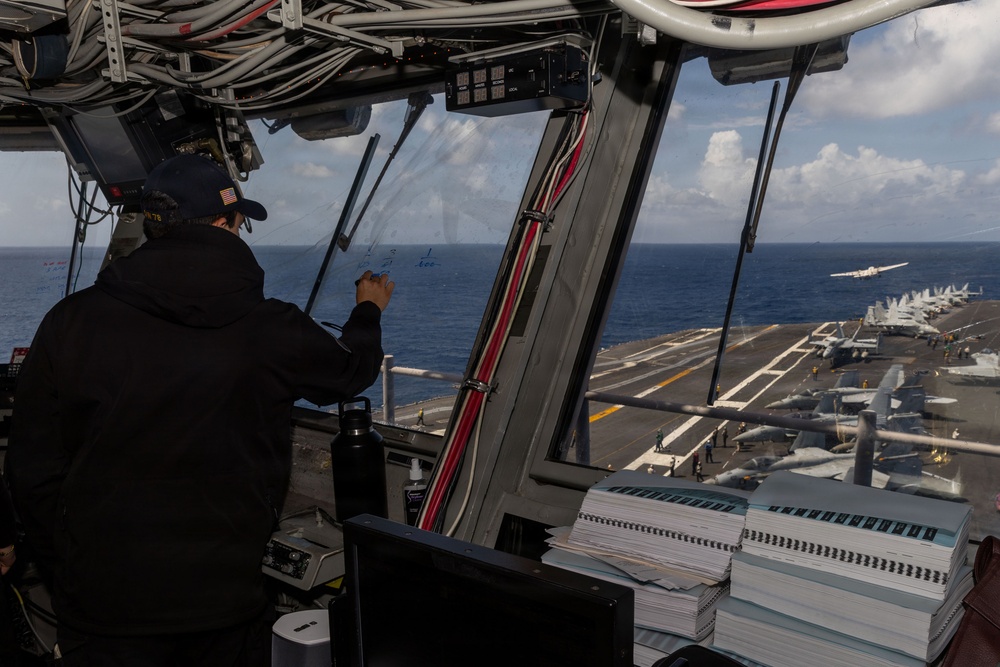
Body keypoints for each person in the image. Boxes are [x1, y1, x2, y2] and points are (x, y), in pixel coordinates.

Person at [6, 154, 394, 667]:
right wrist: (368, 310)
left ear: (153, 225)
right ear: (225, 223)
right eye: (241, 222)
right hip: (224, 605)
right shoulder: (270, 328)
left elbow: (32, 470)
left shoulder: (70, 322)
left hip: (102, 607)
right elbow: (351, 371)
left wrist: (68, 569)